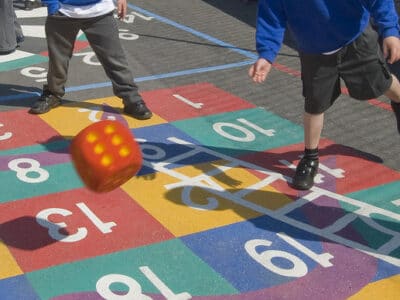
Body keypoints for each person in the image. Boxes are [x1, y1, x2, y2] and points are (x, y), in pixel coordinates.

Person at [248, 0, 400, 190]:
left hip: (355, 40)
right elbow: (271, 16)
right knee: (314, 105)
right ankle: (310, 158)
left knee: (382, 83)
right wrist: (266, 54)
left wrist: (390, 30)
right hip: (314, 50)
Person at [29, 0, 152, 120]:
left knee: (114, 59)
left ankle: (131, 99)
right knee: (57, 60)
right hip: (62, 11)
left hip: (100, 12)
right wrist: (52, 4)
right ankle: (53, 93)